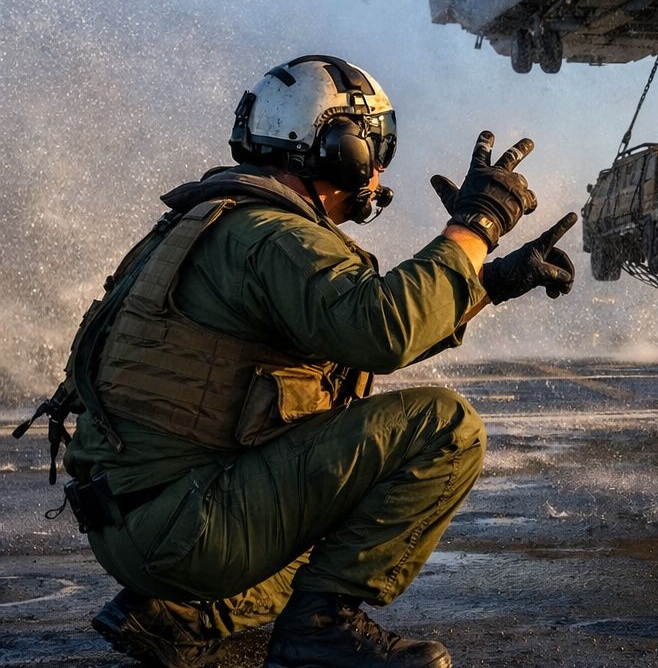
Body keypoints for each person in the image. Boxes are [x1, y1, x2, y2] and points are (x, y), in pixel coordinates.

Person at [15, 55, 577, 668]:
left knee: (342, 512)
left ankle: (175, 615)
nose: (380, 167)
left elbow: (338, 330)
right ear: (339, 148)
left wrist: (489, 282)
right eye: (375, 145)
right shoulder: (273, 236)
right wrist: (476, 225)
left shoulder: (216, 223)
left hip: (135, 522)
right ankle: (319, 631)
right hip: (187, 528)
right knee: (444, 428)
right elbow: (382, 330)